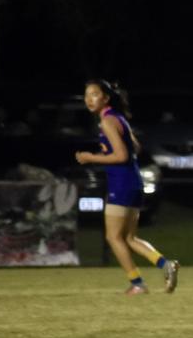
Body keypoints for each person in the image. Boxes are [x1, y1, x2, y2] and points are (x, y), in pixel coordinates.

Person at [75, 80, 179, 295]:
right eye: (87, 95)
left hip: (121, 183)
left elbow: (121, 155)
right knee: (130, 238)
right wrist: (112, 151)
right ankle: (165, 265)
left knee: (113, 237)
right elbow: (135, 147)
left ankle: (137, 283)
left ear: (105, 98)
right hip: (134, 181)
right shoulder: (119, 118)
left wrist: (91, 157)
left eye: (94, 94)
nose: (89, 99)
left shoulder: (107, 122)